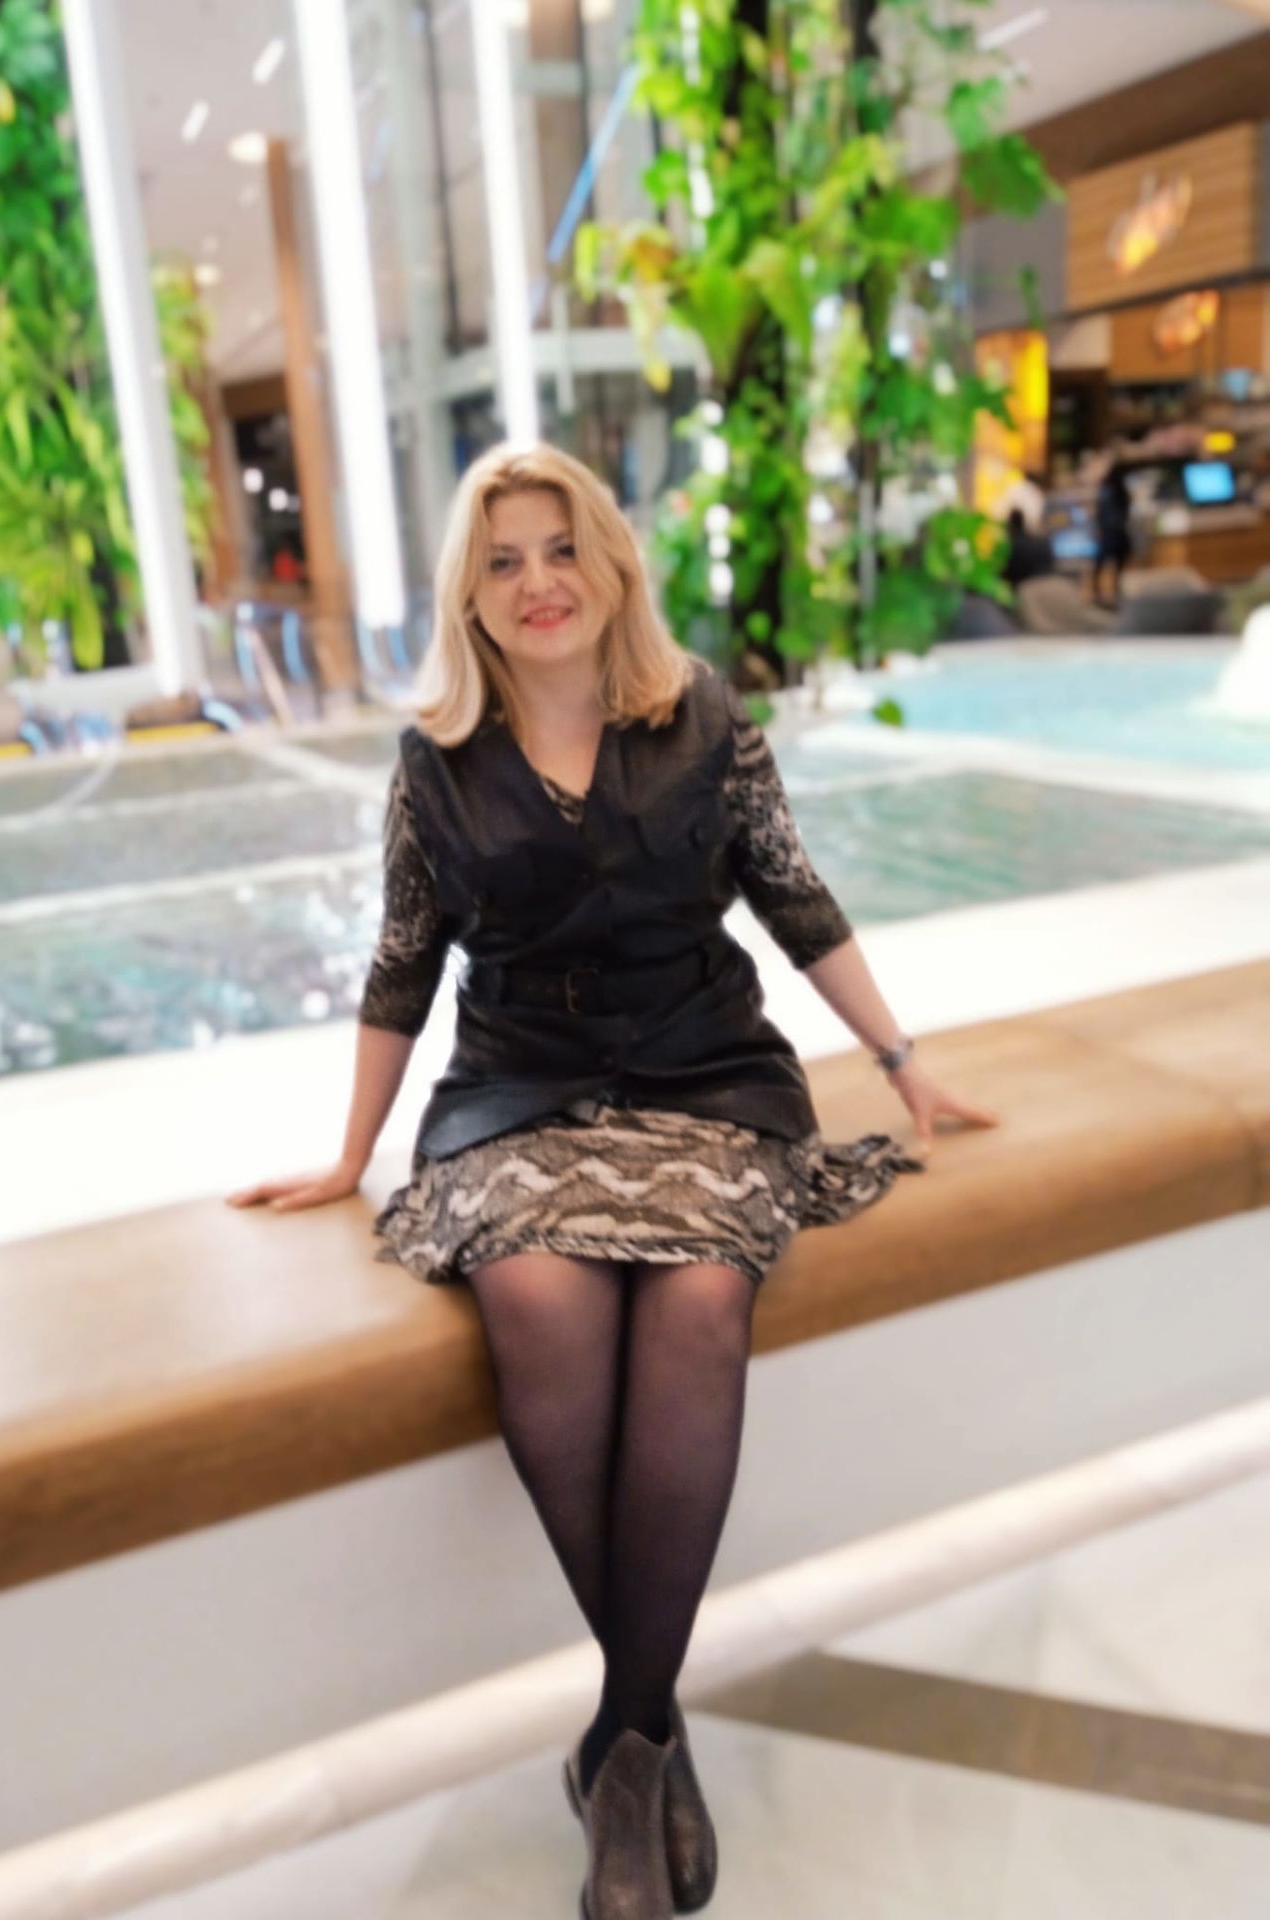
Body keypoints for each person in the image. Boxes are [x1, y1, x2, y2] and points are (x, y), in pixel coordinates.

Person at [229, 443, 999, 1918]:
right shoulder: (435, 760)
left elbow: (793, 895)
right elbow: (402, 963)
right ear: (468, 594)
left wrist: (903, 1062)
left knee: (702, 1301)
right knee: (538, 1297)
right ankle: (649, 1733)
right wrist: (350, 1154)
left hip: (706, 1075)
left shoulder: (703, 714)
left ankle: (624, 1745)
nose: (539, 583)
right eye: (503, 560)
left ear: (612, 562)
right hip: (516, 1092)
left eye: (561, 547)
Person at [1093, 459, 1133, 609]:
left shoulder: (1106, 489)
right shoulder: (1122, 491)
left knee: (1100, 566)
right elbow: (1126, 514)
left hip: (1108, 534)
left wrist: (1099, 530)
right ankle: (1116, 593)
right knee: (1117, 568)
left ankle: (1098, 595)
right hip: (1119, 534)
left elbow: (1100, 514)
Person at [1003, 507, 1056, 592]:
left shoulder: (1012, 546)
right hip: (1045, 584)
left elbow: (1008, 572)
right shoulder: (1039, 542)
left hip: (1022, 588)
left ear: (1010, 524)